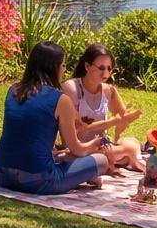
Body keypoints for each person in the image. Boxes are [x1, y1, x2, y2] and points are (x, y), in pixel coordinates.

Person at [0, 41, 112, 195]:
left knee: (58, 157)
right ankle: (88, 175)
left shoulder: (14, 90)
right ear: (53, 68)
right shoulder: (61, 100)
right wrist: (93, 145)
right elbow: (76, 149)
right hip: (39, 180)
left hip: (2, 173)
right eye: (63, 66)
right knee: (101, 161)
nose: (64, 71)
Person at [62, 43, 146, 172]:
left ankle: (115, 161)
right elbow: (79, 126)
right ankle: (118, 162)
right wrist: (111, 122)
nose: (105, 73)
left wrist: (122, 120)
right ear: (87, 66)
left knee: (132, 143)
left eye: (109, 69)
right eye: (101, 68)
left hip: (103, 147)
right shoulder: (72, 88)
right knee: (127, 151)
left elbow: (121, 114)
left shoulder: (108, 90)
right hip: (77, 149)